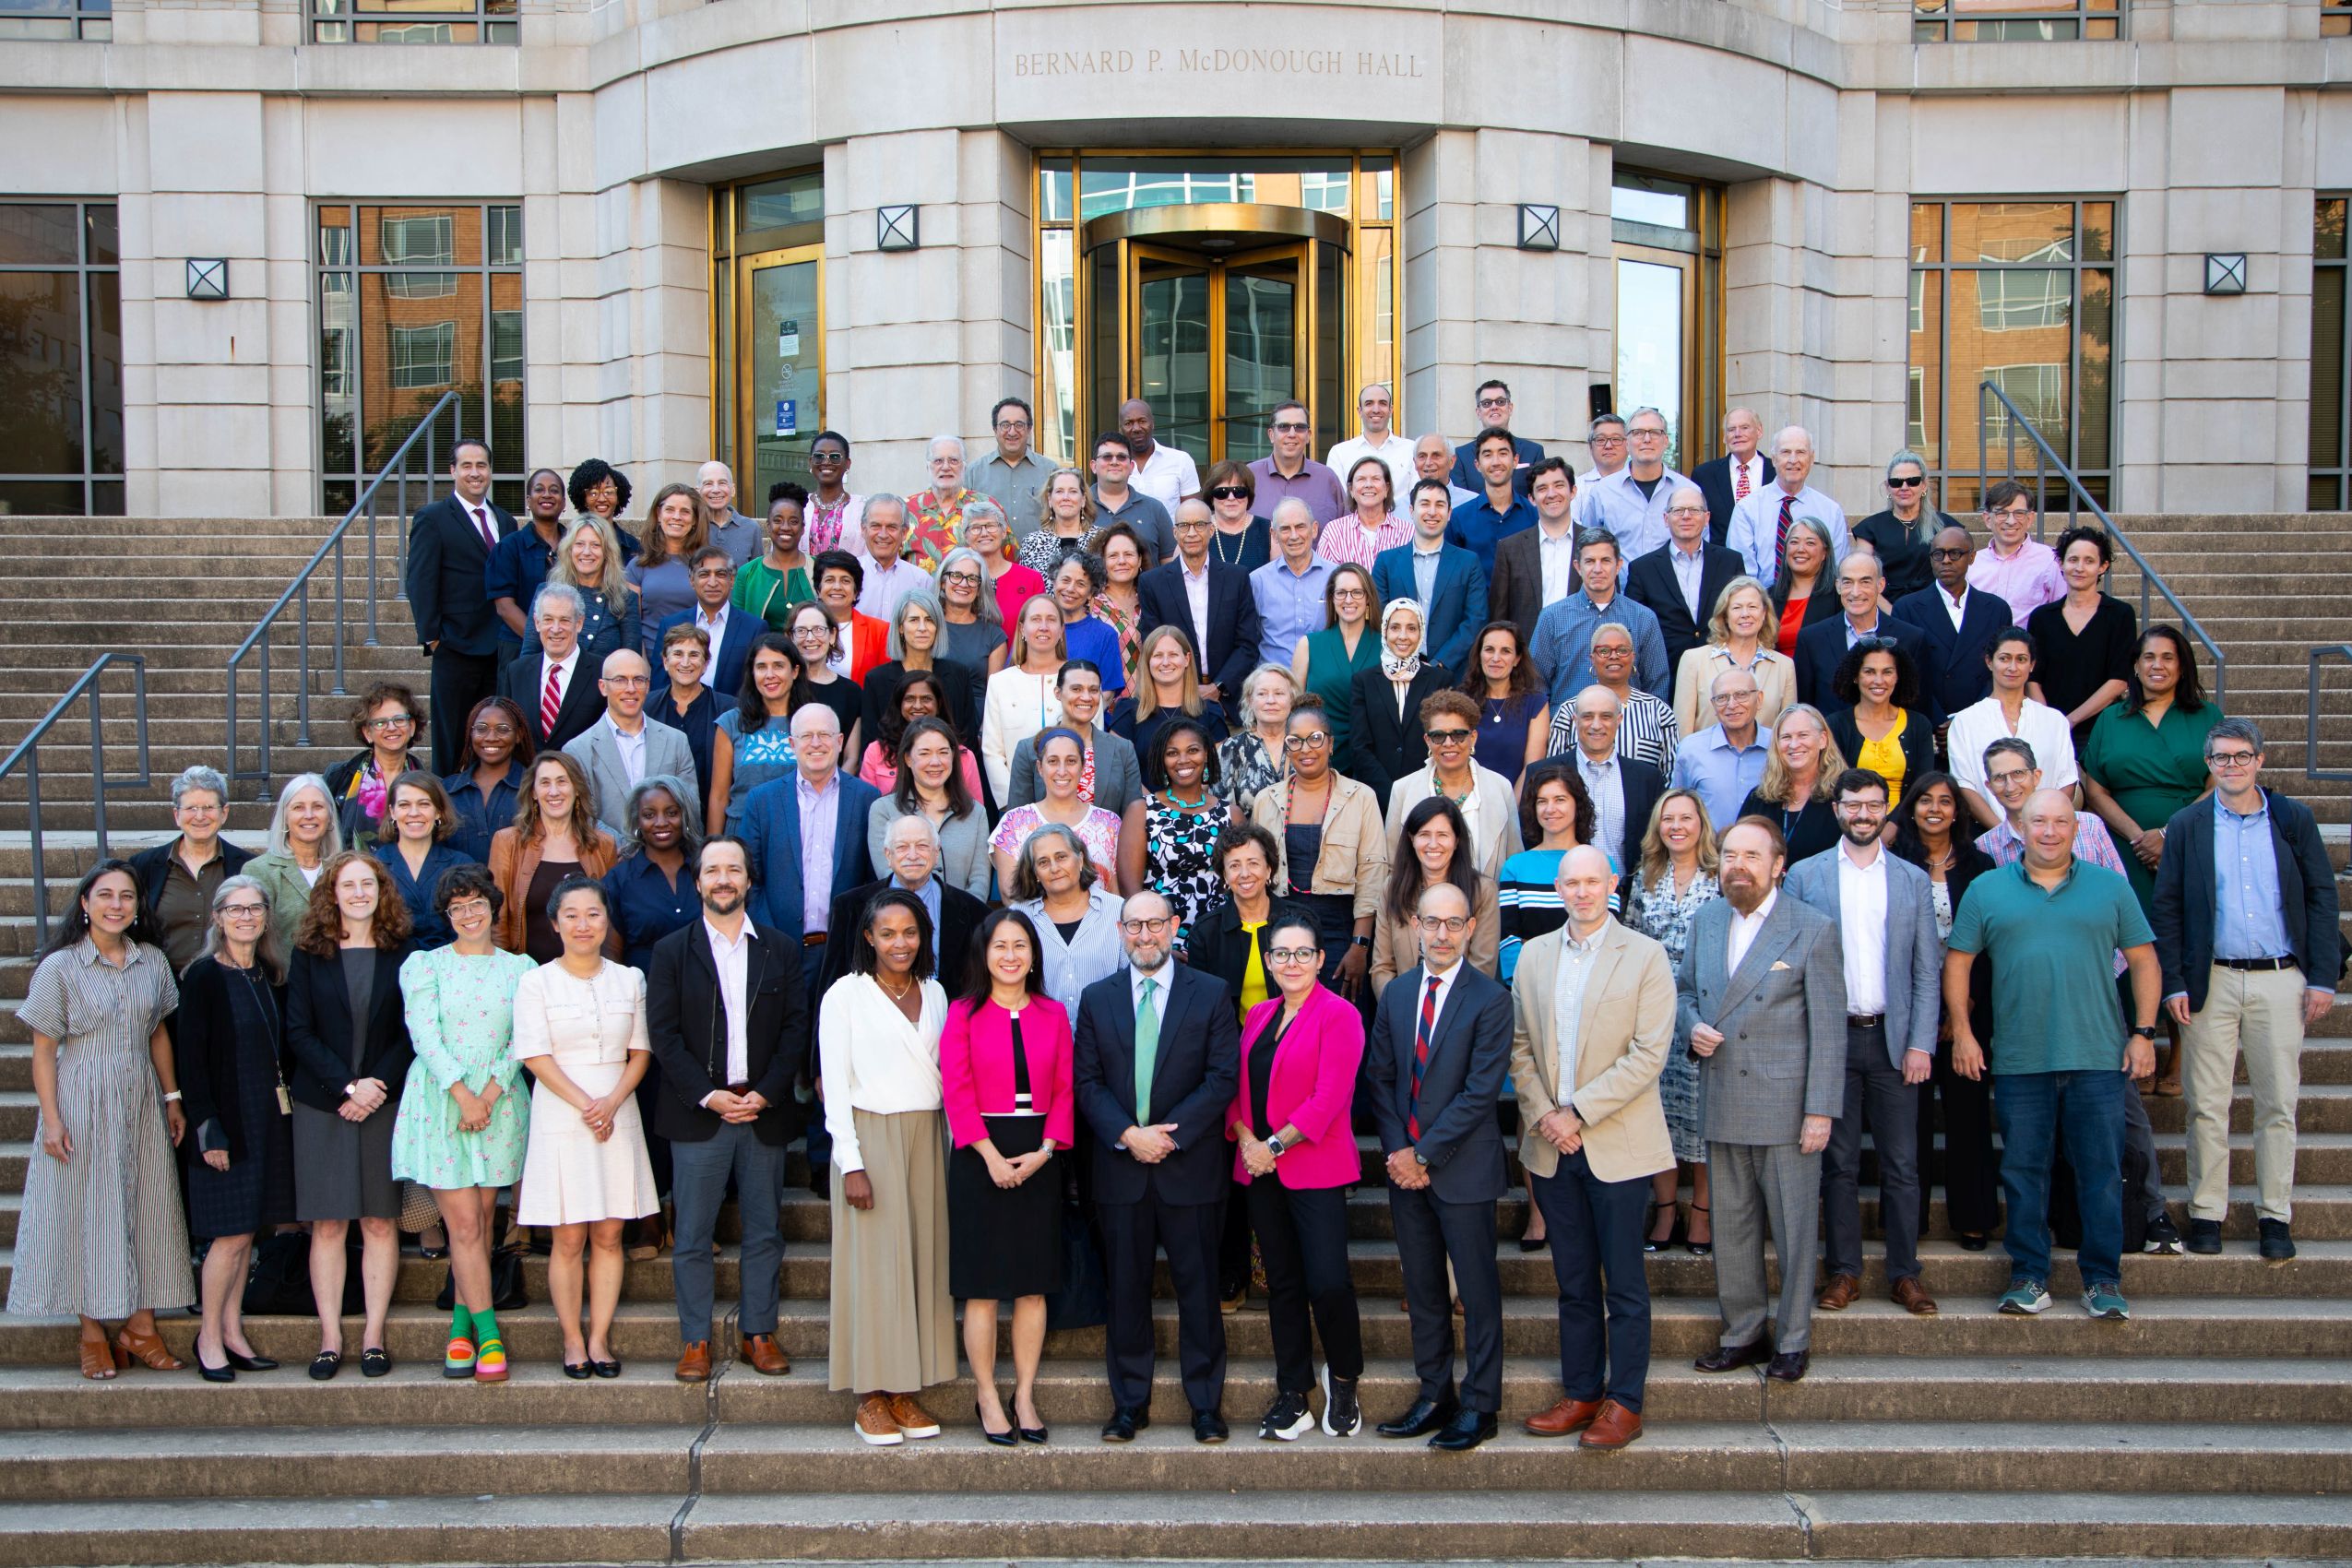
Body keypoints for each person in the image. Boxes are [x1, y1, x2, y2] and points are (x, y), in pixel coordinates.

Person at [1946, 789, 2161, 1321]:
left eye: (2059, 822)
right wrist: (1964, 1032)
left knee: (2101, 1172)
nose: (2048, 831)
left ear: (2075, 828)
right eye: (2037, 821)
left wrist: (2143, 1032)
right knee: (2023, 1171)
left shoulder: (2110, 886)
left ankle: (2103, 1280)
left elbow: (2144, 961)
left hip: (2098, 1057)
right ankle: (2028, 1276)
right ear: (2020, 826)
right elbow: (1958, 964)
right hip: (2020, 1058)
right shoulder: (1987, 888)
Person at [2154, 719, 2343, 1261]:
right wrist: (2174, 982)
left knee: (2278, 1103)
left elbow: (2321, 898)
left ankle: (2274, 1216)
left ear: (2260, 759)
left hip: (2282, 979)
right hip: (2210, 978)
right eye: (2220, 758)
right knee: (2207, 1104)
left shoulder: (2291, 819)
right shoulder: (2188, 824)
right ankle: (2207, 1213)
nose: (2231, 766)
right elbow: (2167, 907)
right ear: (2208, 765)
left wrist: (2322, 977)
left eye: (2241, 756)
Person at [1510, 847, 1676, 1450]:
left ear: (1612, 883)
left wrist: (1578, 1112)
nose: (1582, 892)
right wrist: (1547, 1117)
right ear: (1557, 888)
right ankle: (1581, 1392)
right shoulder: (1533, 955)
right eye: (1571, 882)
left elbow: (1648, 1054)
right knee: (1574, 1279)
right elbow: (1520, 1045)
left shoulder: (1646, 956)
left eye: (1592, 881)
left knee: (1624, 1283)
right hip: (1554, 1148)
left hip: (1618, 1145)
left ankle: (1624, 1402)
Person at [7, 861, 194, 1381]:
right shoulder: (60, 966)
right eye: (105, 895)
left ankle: (141, 1326)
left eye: (127, 896)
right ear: (85, 903)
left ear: (137, 908)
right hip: (80, 1101)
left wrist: (173, 1097)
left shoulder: (151, 962)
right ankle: (92, 1331)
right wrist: (51, 1120)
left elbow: (158, 1032)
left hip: (139, 1099)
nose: (117, 905)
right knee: (87, 1212)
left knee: (145, 1207)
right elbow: (44, 1051)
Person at [1679, 816, 1845, 1384]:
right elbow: (1682, 991)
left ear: (1778, 865)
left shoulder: (1812, 928)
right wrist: (1692, 1027)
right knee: (1733, 1229)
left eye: (1751, 855)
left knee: (1796, 1231)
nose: (1737, 866)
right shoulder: (1706, 919)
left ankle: (1793, 1339)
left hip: (1786, 1107)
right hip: (1723, 1096)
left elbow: (1829, 1029)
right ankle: (1743, 1332)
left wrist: (1820, 1110)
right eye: (1728, 855)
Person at [1074, 891, 1241, 1443]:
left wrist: (1168, 1139)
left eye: (1154, 924)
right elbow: (1087, 1083)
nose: (1144, 936)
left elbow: (1221, 1078)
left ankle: (1205, 1404)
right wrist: (1127, 1135)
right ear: (1120, 933)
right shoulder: (1097, 999)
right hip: (1121, 1168)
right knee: (1126, 1289)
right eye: (1133, 926)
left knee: (1199, 1288)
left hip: (1188, 1166)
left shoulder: (1211, 994)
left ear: (1174, 927)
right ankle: (1129, 1404)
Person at [646, 836, 810, 1383]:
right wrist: (709, 1095)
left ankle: (758, 1333)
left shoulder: (781, 949)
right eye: (712, 870)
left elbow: (795, 1030)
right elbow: (663, 1036)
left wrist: (766, 1090)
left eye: (733, 870)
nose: (723, 879)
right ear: (698, 882)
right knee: (692, 1234)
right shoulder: (672, 951)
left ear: (747, 880)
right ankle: (694, 1339)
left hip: (763, 1110)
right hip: (699, 1114)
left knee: (764, 1230)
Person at [1783, 768, 1944, 1317]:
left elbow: (1927, 972)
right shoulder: (1805, 878)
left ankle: (1906, 1274)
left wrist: (1922, 1042)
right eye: (1854, 805)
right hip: (1830, 1043)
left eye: (1874, 805)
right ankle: (1844, 1273)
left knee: (1902, 1165)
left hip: (1894, 1042)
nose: (1864, 815)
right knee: (1839, 1165)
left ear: (1886, 811)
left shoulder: (1911, 880)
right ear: (1837, 810)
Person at [1366, 882, 1513, 1451]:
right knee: (1424, 1290)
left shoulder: (1491, 999)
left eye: (1455, 923)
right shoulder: (1398, 995)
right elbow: (1379, 1079)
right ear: (1415, 926)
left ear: (1471, 928)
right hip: (1407, 1172)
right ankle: (1435, 1394)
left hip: (1463, 1170)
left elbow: (1480, 1094)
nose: (1443, 934)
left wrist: (1423, 1154)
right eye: (1433, 922)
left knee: (1475, 1292)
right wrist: (1399, 1152)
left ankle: (1481, 1405)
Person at [820, 887, 956, 1444]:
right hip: (869, 1136)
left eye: (910, 932)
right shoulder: (845, 995)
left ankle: (905, 1387)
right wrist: (850, 1161)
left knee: (922, 1263)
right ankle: (870, 1396)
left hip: (928, 1135)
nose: (899, 943)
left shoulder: (937, 992)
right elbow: (834, 1087)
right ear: (868, 937)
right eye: (888, 933)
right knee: (873, 1267)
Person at [1227, 909, 1369, 1442]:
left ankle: (1345, 1378)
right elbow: (1238, 1089)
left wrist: (1272, 1144)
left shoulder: (1340, 1016)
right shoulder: (1259, 1016)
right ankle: (1294, 1393)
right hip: (1260, 1171)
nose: (1292, 962)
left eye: (1302, 953)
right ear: (1269, 959)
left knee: (1328, 1282)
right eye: (1282, 953)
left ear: (1320, 959)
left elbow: (1329, 1099)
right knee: (1282, 1284)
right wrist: (1246, 1141)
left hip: (1315, 1167)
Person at [389, 864, 534, 1383]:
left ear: (494, 907)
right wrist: (462, 1093)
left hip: (499, 1101)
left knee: (482, 1219)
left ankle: (459, 1325)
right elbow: (423, 1035)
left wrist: (490, 1092)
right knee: (465, 1226)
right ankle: (489, 1336)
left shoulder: (521, 968)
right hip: (443, 1099)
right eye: (458, 907)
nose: (469, 914)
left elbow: (524, 1036)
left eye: (477, 904)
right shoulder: (425, 965)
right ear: (446, 915)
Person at [513, 877, 659, 1375]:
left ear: (607, 921)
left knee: (610, 1234)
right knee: (568, 1238)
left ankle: (600, 1338)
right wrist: (587, 1105)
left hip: (618, 1111)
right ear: (554, 924)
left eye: (593, 914)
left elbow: (640, 1050)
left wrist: (612, 1101)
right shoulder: (536, 981)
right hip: (562, 1113)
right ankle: (572, 1340)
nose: (583, 924)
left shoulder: (630, 979)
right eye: (571, 915)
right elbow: (534, 1054)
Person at [942, 909, 1075, 1444]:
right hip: (980, 1155)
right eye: (1001, 946)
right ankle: (987, 1395)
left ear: (1032, 954)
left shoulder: (1053, 1012)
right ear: (985, 953)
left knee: (1031, 1289)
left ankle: (1023, 1393)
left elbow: (1066, 1089)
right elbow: (957, 1090)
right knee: (983, 1289)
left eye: (1020, 945)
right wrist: (990, 1156)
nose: (1011, 956)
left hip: (1039, 1153)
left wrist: (1045, 1152)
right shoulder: (963, 1013)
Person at [285, 850, 414, 1381]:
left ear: (381, 891)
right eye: (348, 885)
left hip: (381, 1103)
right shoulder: (309, 954)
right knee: (330, 1222)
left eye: (368, 884)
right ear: (331, 894)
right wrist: (346, 1085)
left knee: (380, 1220)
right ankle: (331, 1337)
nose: (359, 893)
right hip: (324, 1104)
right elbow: (297, 1031)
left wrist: (374, 1087)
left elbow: (411, 1030)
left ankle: (374, 1336)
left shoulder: (403, 952)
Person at [176, 877, 295, 1382]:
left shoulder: (269, 973)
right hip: (225, 1123)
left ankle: (232, 1331)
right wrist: (209, 1129)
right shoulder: (203, 976)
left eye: (255, 908)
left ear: (266, 918)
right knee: (229, 1237)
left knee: (249, 1232)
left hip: (267, 1118)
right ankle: (208, 1337)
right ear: (218, 918)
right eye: (235, 909)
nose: (246, 917)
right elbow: (191, 1062)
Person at [1891, 772, 2001, 1252]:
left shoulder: (1981, 865)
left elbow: (1991, 943)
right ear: (1911, 809)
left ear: (1959, 811)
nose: (1935, 808)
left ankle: (1973, 1217)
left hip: (1970, 1012)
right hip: (1907, 1009)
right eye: (1924, 801)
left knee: (1969, 1115)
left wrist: (1962, 1012)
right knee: (1908, 1122)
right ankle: (1907, 1221)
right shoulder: (1892, 863)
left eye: (1946, 801)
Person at [1628, 788, 1721, 1253]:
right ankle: (1665, 1212)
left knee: (1701, 1120)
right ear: (1658, 827)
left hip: (1705, 1013)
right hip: (1653, 1013)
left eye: (1686, 817)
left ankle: (1701, 1215)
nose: (1677, 826)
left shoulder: (1722, 875)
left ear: (1701, 823)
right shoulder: (1644, 877)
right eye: (1668, 819)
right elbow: (1632, 943)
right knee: (1657, 1118)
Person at [2082, 624, 2221, 923]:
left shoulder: (2208, 716)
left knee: (2185, 936)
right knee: (2127, 937)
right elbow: (2095, 792)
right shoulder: (2110, 718)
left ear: (2182, 667)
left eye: (2168, 657)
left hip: (2188, 842)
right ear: (2135, 665)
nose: (2157, 665)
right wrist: (2140, 839)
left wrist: (2167, 835)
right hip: (2123, 846)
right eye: (2149, 657)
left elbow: (2219, 786)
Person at [1252, 701, 1386, 1001]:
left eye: (1315, 738)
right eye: (1295, 740)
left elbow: (1372, 874)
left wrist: (1359, 946)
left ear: (1331, 743)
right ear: (1287, 747)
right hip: (1281, 929)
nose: (1306, 748)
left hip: (1341, 933)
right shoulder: (1266, 800)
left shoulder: (1361, 798)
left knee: (1340, 1028)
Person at [736, 705, 879, 971]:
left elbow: (873, 880)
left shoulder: (866, 799)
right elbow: (748, 878)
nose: (816, 744)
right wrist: (769, 939)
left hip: (845, 952)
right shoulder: (762, 800)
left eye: (824, 734)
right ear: (792, 743)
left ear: (839, 742)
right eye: (806, 736)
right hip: (777, 951)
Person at [406, 438, 514, 773]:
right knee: (453, 739)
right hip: (455, 647)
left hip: (500, 648)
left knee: (497, 738)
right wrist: (433, 638)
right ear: (452, 471)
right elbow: (420, 581)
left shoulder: (506, 521)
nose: (474, 472)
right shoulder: (433, 518)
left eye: (481, 465)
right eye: (466, 466)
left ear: (490, 472)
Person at [830, 812, 989, 997]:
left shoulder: (974, 912)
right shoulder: (849, 908)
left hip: (948, 1020)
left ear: (936, 853)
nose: (912, 855)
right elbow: (831, 985)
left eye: (922, 845)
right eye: (902, 847)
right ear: (888, 855)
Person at [488, 751, 622, 961]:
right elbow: (498, 918)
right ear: (533, 792)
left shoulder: (602, 845)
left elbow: (612, 920)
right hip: (527, 977)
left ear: (576, 788)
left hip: (586, 976)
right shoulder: (507, 842)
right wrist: (507, 975)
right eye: (545, 783)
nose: (553, 791)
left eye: (562, 782)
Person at [1383, 689, 1524, 882]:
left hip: (1484, 906)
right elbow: (1392, 864)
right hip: (1420, 907)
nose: (1449, 743)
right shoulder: (1403, 789)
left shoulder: (1500, 787)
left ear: (1473, 737)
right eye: (1438, 735)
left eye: (1458, 734)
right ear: (1427, 741)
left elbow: (1514, 861)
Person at [129, 764, 256, 971]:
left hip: (225, 983)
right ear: (176, 815)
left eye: (208, 807)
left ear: (224, 813)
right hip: (163, 987)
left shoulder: (246, 866)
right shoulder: (144, 866)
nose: (199, 816)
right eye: (191, 808)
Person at [563, 649, 699, 842]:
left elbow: (689, 806)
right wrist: (626, 850)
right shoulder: (577, 749)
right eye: (620, 680)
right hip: (609, 861)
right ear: (603, 687)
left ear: (648, 686)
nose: (630, 688)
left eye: (638, 680)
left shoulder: (676, 741)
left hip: (667, 860)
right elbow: (582, 814)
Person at [1949, 628, 2079, 828]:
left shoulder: (2054, 720)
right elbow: (1964, 786)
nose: (2013, 667)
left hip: (2048, 836)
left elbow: (2067, 781)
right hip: (1988, 836)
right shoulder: (1965, 721)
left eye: (2021, 659)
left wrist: (2041, 828)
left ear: (2032, 665)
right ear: (1989, 662)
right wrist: (2006, 834)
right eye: (2004, 658)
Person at [1138, 498, 1264, 705]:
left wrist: (1219, 687)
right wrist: (1187, 688)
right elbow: (1154, 645)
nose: (1192, 533)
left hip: (1228, 702)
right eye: (1184, 526)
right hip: (1174, 700)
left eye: (1199, 525)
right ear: (1175, 533)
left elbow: (1247, 644)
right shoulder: (1152, 582)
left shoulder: (1237, 578)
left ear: (1211, 530)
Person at [1371, 796, 1502, 992]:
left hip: (1461, 1012)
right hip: (1405, 1010)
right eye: (1424, 834)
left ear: (1457, 841)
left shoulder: (1483, 891)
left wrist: (1446, 1015)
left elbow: (1482, 967)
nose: (1433, 844)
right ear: (1411, 839)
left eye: (1442, 835)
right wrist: (1400, 1011)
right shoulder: (1392, 888)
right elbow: (1382, 967)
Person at [1531, 528, 1670, 709]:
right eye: (1589, 561)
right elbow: (1536, 686)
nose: (1598, 569)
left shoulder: (1643, 618)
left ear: (1618, 565)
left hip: (1629, 730)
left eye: (1605, 561)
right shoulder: (1552, 618)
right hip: (1568, 729)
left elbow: (1656, 685)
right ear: (1577, 566)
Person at [1120, 719, 1228, 954]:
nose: (1183, 760)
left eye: (1193, 750)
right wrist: (1159, 941)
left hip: (1219, 940)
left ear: (1207, 754)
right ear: (1161, 759)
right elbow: (1130, 890)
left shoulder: (1231, 814)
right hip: (1160, 940)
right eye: (1172, 753)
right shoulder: (1142, 810)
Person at [2025, 526, 2137, 745]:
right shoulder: (2042, 617)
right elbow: (2033, 678)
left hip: (2104, 728)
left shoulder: (2119, 614)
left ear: (2103, 566)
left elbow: (2119, 680)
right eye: (2073, 559)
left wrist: (2070, 721)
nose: (2079, 567)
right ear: (2060, 563)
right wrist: (2052, 722)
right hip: (2049, 731)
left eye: (2089, 561)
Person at [1893, 526, 2013, 725]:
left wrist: (1967, 720)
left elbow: (1999, 671)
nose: (1946, 560)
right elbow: (1906, 673)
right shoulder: (1906, 608)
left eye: (1955, 553)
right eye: (1938, 554)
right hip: (1929, 723)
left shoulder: (1997, 609)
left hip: (1982, 722)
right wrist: (1939, 721)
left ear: (1972, 557)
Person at [1497, 761, 1601, 983]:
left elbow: (1602, 935)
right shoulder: (1516, 867)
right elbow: (1508, 939)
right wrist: (1533, 983)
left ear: (1577, 804)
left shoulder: (1600, 864)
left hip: (1587, 986)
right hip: (1529, 986)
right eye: (1542, 801)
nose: (1550, 809)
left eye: (1560, 800)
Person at [1626, 482, 1747, 672]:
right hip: (1665, 671)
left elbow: (1741, 614)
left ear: (1707, 518)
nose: (1686, 516)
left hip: (1723, 668)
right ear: (1666, 518)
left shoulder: (1730, 562)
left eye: (1694, 510)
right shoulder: (1643, 569)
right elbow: (1635, 627)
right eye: (1678, 510)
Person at [1373, 477, 1488, 676]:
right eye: (1424, 504)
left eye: (1440, 505)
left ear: (1449, 513)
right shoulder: (1386, 562)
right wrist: (1406, 662)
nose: (1432, 512)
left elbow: (1475, 619)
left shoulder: (1468, 563)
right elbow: (1379, 616)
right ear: (1411, 511)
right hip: (1396, 673)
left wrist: (1440, 663)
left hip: (1451, 674)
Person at [1010, 824, 1127, 1017]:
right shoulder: (1017, 918)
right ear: (1034, 873)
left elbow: (1131, 981)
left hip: (1105, 1038)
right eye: (1043, 862)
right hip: (1040, 1040)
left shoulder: (1118, 910)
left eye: (1061, 857)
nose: (1054, 868)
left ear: (1080, 859)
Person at [1348, 598, 1455, 810]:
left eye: (1411, 628)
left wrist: (1417, 789)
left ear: (1421, 633)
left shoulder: (1440, 680)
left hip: (1428, 793)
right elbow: (1360, 746)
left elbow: (1444, 740)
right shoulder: (1364, 681)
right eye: (1395, 627)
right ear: (1385, 631)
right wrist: (1392, 793)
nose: (1403, 636)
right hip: (1376, 797)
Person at [1005, 659, 1146, 818]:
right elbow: (1017, 819)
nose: (1086, 697)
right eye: (1076, 689)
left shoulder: (1123, 750)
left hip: (1110, 842)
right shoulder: (1029, 749)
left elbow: (1133, 818)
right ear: (1058, 693)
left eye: (1093, 690)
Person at [1793, 547, 1928, 711]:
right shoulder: (1811, 639)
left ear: (1881, 585)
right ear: (1838, 586)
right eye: (1848, 582)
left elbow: (1918, 707)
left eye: (1865, 582)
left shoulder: (1910, 638)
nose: (1855, 592)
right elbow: (1805, 708)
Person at [993, 728, 1123, 892]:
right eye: (1053, 761)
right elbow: (1011, 896)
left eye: (1071, 761)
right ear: (1040, 768)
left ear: (1083, 767)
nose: (1062, 771)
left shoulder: (1110, 823)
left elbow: (1116, 894)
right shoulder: (1014, 823)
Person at [1562, 685, 1669, 881]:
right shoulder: (1547, 773)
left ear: (1618, 720)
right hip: (1563, 895)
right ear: (1575, 721)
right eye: (1587, 716)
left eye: (1605, 716)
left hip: (1627, 896)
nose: (1596, 725)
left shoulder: (1647, 779)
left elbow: (1657, 843)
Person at [707, 634, 809, 833]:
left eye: (778, 666)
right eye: (761, 667)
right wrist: (713, 847)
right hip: (742, 831)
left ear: (795, 671)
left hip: (797, 832)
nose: (770, 674)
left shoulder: (811, 720)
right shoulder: (731, 722)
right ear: (752, 673)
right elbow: (719, 796)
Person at [1670, 576, 1796, 738]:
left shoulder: (1784, 666)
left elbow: (1788, 732)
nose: (1745, 614)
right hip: (1708, 761)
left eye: (1752, 607)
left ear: (1764, 613)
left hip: (1765, 762)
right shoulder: (1694, 660)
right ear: (1725, 615)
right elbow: (1682, 733)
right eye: (1737, 608)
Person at [1726, 426, 1850, 588]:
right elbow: (1742, 576)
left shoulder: (1831, 511)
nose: (1793, 460)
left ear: (1812, 458)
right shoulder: (1747, 509)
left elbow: (1838, 570)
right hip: (1763, 605)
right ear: (1773, 458)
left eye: (1801, 452)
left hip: (1818, 605)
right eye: (1785, 452)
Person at [602, 776, 702, 970]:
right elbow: (611, 958)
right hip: (644, 994)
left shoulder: (706, 871)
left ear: (685, 816)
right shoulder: (618, 881)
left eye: (672, 813)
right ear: (637, 821)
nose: (661, 822)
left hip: (706, 992)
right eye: (649, 815)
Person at [1551, 622, 1679, 774]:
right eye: (1604, 651)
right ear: (1592, 658)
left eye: (1622, 650)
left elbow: (1672, 775)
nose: (1613, 656)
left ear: (1633, 657)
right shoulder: (1568, 711)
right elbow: (1554, 773)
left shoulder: (1659, 712)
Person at [373, 771, 477, 950]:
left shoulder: (462, 864)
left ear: (438, 812)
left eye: (424, 804)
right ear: (392, 812)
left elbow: (474, 926)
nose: (414, 813)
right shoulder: (375, 866)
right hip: (391, 967)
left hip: (450, 967)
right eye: (404, 805)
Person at [523, 517, 641, 673]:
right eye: (579, 544)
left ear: (607, 552)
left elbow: (630, 662)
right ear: (569, 549)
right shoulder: (547, 592)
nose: (586, 552)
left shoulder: (625, 598)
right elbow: (528, 656)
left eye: (595, 545)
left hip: (602, 692)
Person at [982, 595, 1071, 802]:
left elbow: (1091, 745)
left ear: (1061, 630)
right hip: (1016, 806)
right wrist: (1012, 804)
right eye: (1035, 619)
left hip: (1072, 802)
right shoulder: (1000, 682)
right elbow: (992, 751)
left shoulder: (1080, 678)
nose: (1043, 626)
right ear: (1022, 628)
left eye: (1051, 619)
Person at [1573, 406, 1687, 564]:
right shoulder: (1603, 491)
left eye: (1654, 432)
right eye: (1638, 433)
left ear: (1666, 440)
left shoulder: (1687, 491)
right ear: (1627, 442)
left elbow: (1699, 549)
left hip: (1673, 587)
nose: (1647, 439)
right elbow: (1587, 547)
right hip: (1620, 587)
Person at [1824, 640, 1933, 806]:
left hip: (1905, 825)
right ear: (1855, 676)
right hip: (1852, 823)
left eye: (1887, 672)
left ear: (1897, 676)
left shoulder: (1919, 724)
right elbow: (1832, 786)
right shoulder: (1836, 724)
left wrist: (1891, 828)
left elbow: (1922, 787)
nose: (1879, 680)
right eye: (1869, 672)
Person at [1291, 562, 1381, 763]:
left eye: (1357, 592)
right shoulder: (1309, 645)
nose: (1348, 599)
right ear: (1332, 598)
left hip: (1375, 757)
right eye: (1341, 593)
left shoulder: (1386, 646)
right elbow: (1295, 710)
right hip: (1320, 756)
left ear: (1368, 598)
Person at [500, 585, 606, 753]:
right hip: (528, 776)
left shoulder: (603, 671)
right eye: (548, 619)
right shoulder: (516, 672)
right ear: (537, 623)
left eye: (564, 620)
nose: (556, 629)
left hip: (581, 775)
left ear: (579, 623)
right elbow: (507, 730)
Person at [1488, 457, 1580, 647]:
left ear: (1573, 491)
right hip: (1527, 658)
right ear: (1531, 498)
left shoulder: (1594, 545)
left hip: (1583, 657)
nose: (1551, 494)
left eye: (1559, 485)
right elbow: (1499, 617)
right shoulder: (1510, 549)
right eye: (1542, 488)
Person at [1739, 702, 1846, 863]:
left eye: (1803, 735)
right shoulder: (1758, 798)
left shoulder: (1843, 797)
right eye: (1786, 737)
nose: (1794, 745)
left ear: (1822, 740)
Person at [1671, 668, 1775, 833]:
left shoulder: (1777, 746)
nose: (1732, 705)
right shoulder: (1691, 750)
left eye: (1741, 694)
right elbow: (1676, 808)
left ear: (1759, 699)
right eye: (1722, 698)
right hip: (1709, 856)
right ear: (1713, 704)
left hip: (1765, 855)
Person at [1109, 624, 1231, 764]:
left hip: (1199, 787)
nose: (1166, 662)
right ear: (1148, 661)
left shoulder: (1210, 713)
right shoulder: (1128, 713)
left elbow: (1220, 772)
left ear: (1187, 659)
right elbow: (1117, 771)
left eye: (1173, 655)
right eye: (1158, 655)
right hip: (1139, 786)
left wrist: (1195, 787)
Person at [248, 773, 343, 950]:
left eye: (318, 806)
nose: (309, 815)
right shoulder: (260, 871)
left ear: (330, 815)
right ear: (285, 816)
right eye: (298, 807)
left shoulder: (343, 869)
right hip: (283, 976)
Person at [321, 686, 422, 851]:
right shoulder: (338, 777)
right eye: (381, 722)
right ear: (368, 732)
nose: (391, 728)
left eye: (399, 719)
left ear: (411, 726)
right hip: (351, 872)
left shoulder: (431, 784)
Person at [857, 670, 981, 799]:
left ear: (938, 704)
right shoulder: (876, 752)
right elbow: (868, 808)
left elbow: (975, 812)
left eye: (926, 699)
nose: (917, 706)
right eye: (910, 699)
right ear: (899, 704)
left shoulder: (963, 756)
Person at [487, 467, 571, 657]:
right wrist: (544, 640)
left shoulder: (575, 546)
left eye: (554, 490)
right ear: (528, 501)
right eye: (539, 489)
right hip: (519, 648)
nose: (547, 495)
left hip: (567, 649)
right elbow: (505, 607)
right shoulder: (508, 548)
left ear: (564, 503)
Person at [653, 547, 757, 695]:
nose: (712, 582)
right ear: (692, 581)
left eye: (720, 574)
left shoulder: (754, 628)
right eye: (704, 574)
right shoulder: (670, 625)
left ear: (732, 580)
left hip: (734, 715)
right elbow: (659, 686)